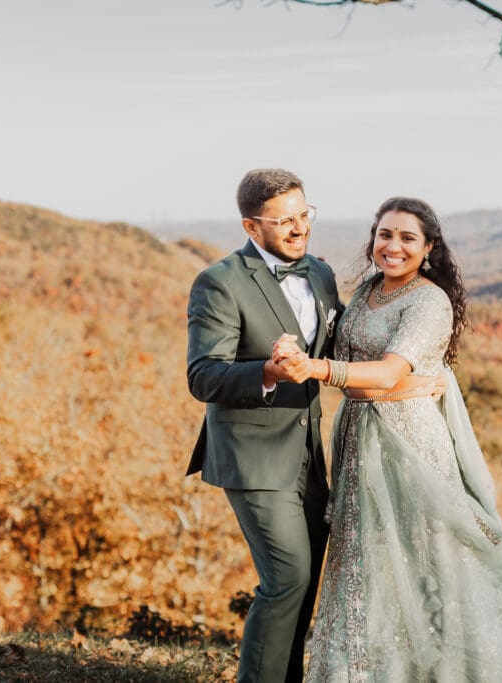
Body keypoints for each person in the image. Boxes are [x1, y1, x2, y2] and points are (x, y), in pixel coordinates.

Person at [270, 197, 502, 681]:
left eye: (406, 238)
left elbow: (387, 372)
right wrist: (293, 349)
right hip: (359, 440)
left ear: (428, 248)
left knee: (418, 554)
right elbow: (356, 364)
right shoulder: (368, 291)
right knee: (364, 558)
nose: (392, 246)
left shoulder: (428, 301)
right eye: (384, 234)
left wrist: (317, 370)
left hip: (409, 445)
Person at [185, 168, 343, 683]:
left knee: (306, 581)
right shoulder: (219, 283)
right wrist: (268, 374)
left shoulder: (319, 272)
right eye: (283, 222)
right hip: (252, 456)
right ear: (252, 228)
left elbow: (333, 352)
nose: (299, 229)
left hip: (309, 454)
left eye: (304, 215)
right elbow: (202, 376)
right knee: (286, 578)